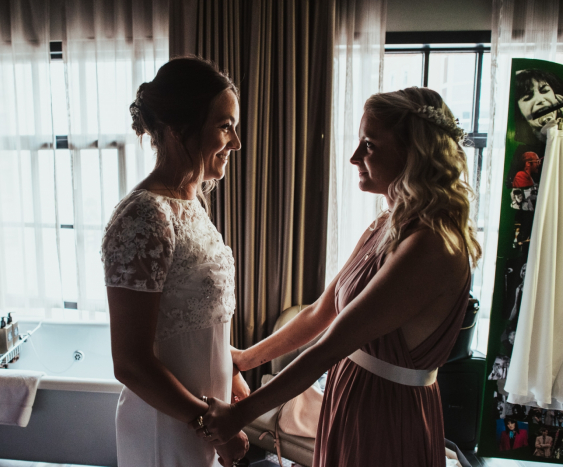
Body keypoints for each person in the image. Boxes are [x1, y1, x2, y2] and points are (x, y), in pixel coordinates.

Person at [191, 87, 481, 467]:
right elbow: (319, 313)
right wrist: (245, 358)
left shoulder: (432, 245)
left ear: (415, 153)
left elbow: (333, 343)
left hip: (387, 414)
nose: (354, 157)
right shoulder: (385, 226)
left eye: (370, 145)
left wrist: (239, 416)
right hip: (352, 399)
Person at [101, 57, 249, 467]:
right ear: (179, 128)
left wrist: (230, 374)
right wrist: (211, 425)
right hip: (165, 427)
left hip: (202, 415)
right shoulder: (144, 216)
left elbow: (195, 323)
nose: (235, 142)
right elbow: (130, 363)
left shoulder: (190, 202)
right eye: (224, 126)